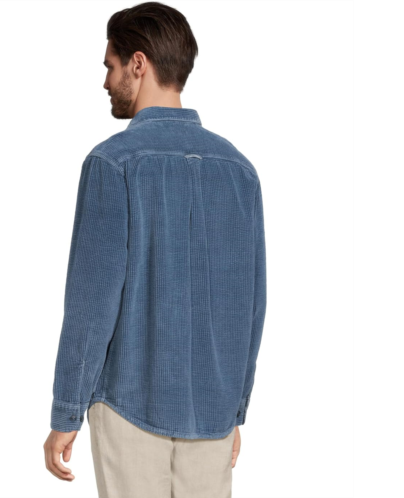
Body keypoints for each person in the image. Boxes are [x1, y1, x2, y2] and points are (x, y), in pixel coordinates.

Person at [43, 2, 267, 497]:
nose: (105, 81)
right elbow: (252, 307)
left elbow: (91, 305)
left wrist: (66, 412)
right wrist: (235, 410)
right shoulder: (240, 171)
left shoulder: (113, 163)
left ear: (138, 64)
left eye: (110, 66)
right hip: (212, 414)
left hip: (129, 407)